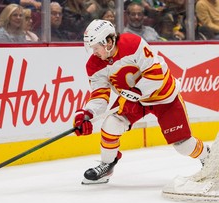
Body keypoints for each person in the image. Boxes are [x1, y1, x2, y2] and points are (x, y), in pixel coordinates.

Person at [74, 19, 210, 184]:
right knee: (111, 125)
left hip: (163, 95)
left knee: (184, 146)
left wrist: (136, 94)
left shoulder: (132, 43)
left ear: (108, 42)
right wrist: (87, 113)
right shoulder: (95, 65)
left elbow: (155, 75)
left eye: (96, 48)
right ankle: (107, 164)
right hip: (133, 98)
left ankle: (209, 157)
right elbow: (99, 95)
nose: (94, 52)